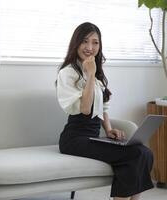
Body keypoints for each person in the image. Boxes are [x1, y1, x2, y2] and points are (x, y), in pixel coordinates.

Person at [56, 22, 154, 200]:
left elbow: (103, 109)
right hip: (74, 139)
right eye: (85, 41)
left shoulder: (97, 74)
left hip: (93, 136)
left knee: (144, 152)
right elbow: (85, 109)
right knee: (134, 154)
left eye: (95, 43)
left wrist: (109, 130)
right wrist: (91, 74)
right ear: (76, 43)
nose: (90, 47)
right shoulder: (68, 73)